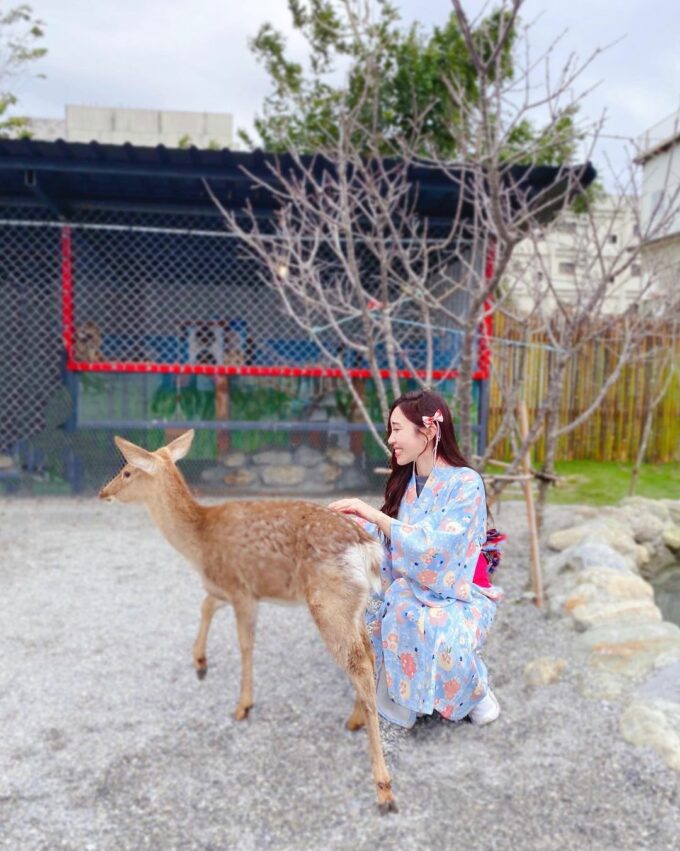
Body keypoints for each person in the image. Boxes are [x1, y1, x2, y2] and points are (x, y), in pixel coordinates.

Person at [328, 389, 503, 728]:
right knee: (389, 607)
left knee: (433, 624)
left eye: (397, 429)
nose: (390, 439)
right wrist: (349, 524)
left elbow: (439, 547)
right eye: (390, 429)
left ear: (429, 431)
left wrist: (376, 517)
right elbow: (388, 538)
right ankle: (407, 700)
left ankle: (475, 690)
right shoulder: (405, 482)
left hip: (457, 594)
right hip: (409, 588)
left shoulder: (466, 483)